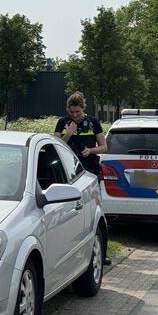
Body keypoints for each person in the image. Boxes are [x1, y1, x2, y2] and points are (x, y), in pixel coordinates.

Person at [53, 91, 111, 266]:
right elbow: (54, 146)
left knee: (96, 213)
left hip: (90, 171)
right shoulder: (63, 123)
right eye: (72, 112)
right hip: (67, 174)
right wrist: (68, 133)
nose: (75, 115)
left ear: (83, 108)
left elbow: (104, 147)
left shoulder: (93, 123)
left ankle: (102, 253)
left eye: (77, 112)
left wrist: (91, 151)